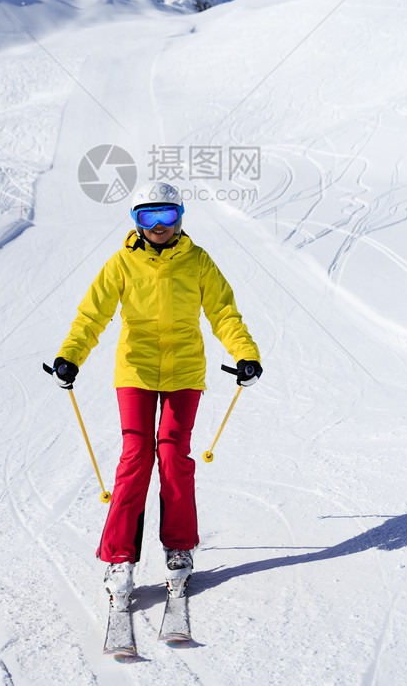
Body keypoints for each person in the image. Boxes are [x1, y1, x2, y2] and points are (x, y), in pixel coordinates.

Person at [52, 181, 262, 607]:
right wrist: (70, 357)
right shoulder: (122, 264)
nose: (159, 225)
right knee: (135, 455)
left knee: (172, 454)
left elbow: (223, 312)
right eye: (149, 216)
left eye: (167, 215)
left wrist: (245, 354)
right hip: (137, 370)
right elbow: (92, 314)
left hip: (185, 371)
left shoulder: (198, 262)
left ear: (181, 216)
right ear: (135, 221)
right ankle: (119, 558)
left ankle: (179, 548)